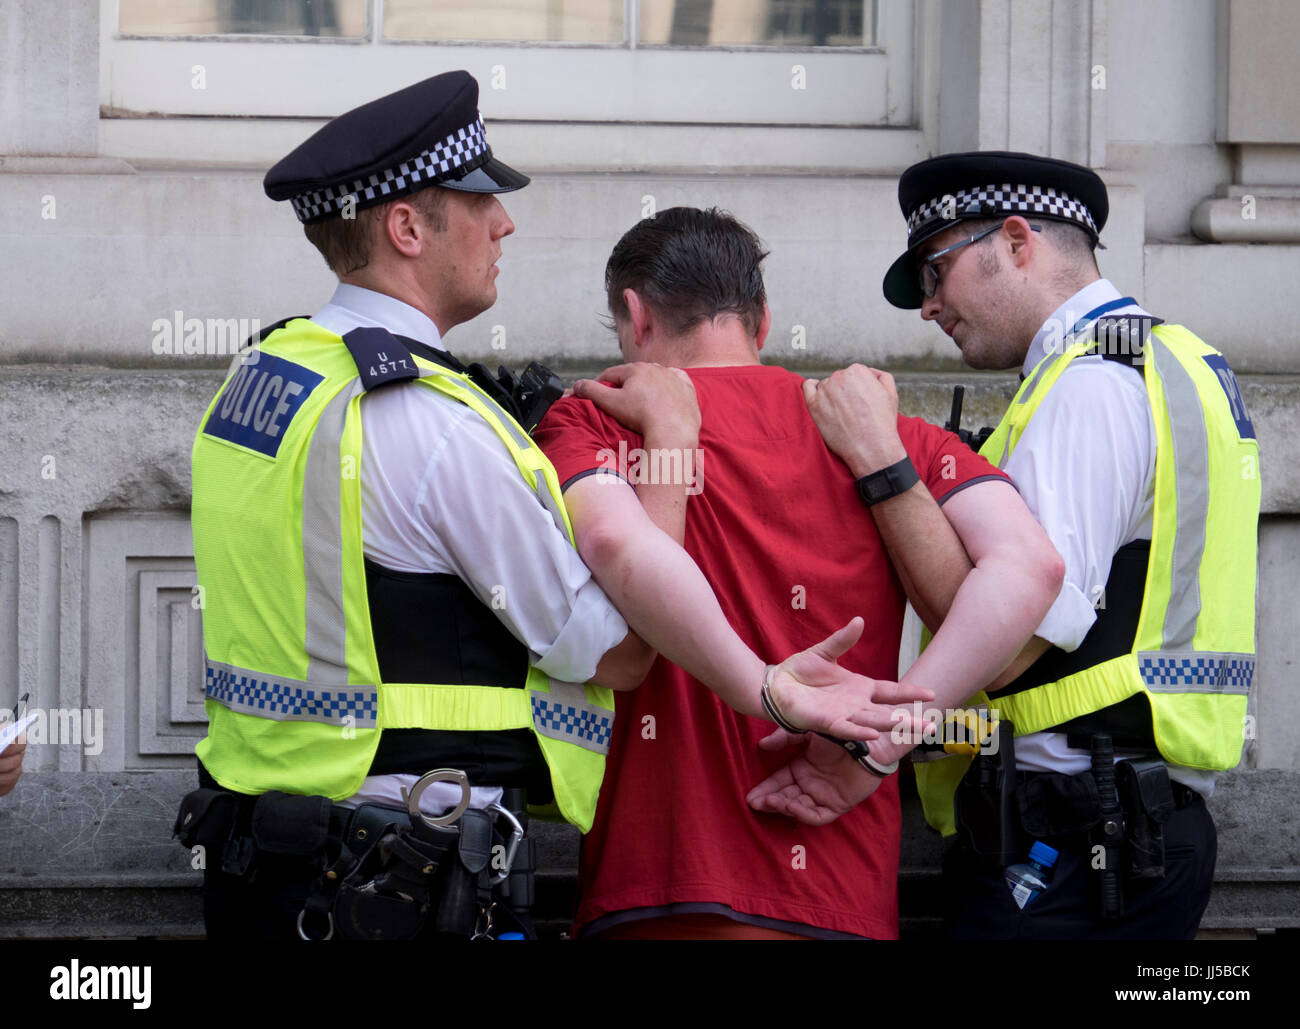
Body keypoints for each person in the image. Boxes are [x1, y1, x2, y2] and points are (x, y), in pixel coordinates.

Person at [181, 74, 924, 941]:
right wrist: (672, 439)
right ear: (407, 228)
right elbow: (616, 650)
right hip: (384, 879)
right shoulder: (425, 420)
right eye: (478, 199)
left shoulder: (267, 374)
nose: (505, 223)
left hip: (264, 856)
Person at [533, 206, 1064, 939]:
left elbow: (627, 585)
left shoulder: (591, 423)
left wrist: (669, 443)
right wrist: (893, 734)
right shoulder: (884, 433)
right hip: (844, 891)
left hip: (660, 886)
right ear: (763, 320)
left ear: (634, 314)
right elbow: (1033, 569)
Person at [775, 150, 1261, 939]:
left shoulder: (1089, 386)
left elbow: (1009, 650)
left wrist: (879, 459)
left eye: (935, 272)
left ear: (1015, 239)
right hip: (1116, 826)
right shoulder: (1172, 359)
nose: (927, 308)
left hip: (1069, 845)